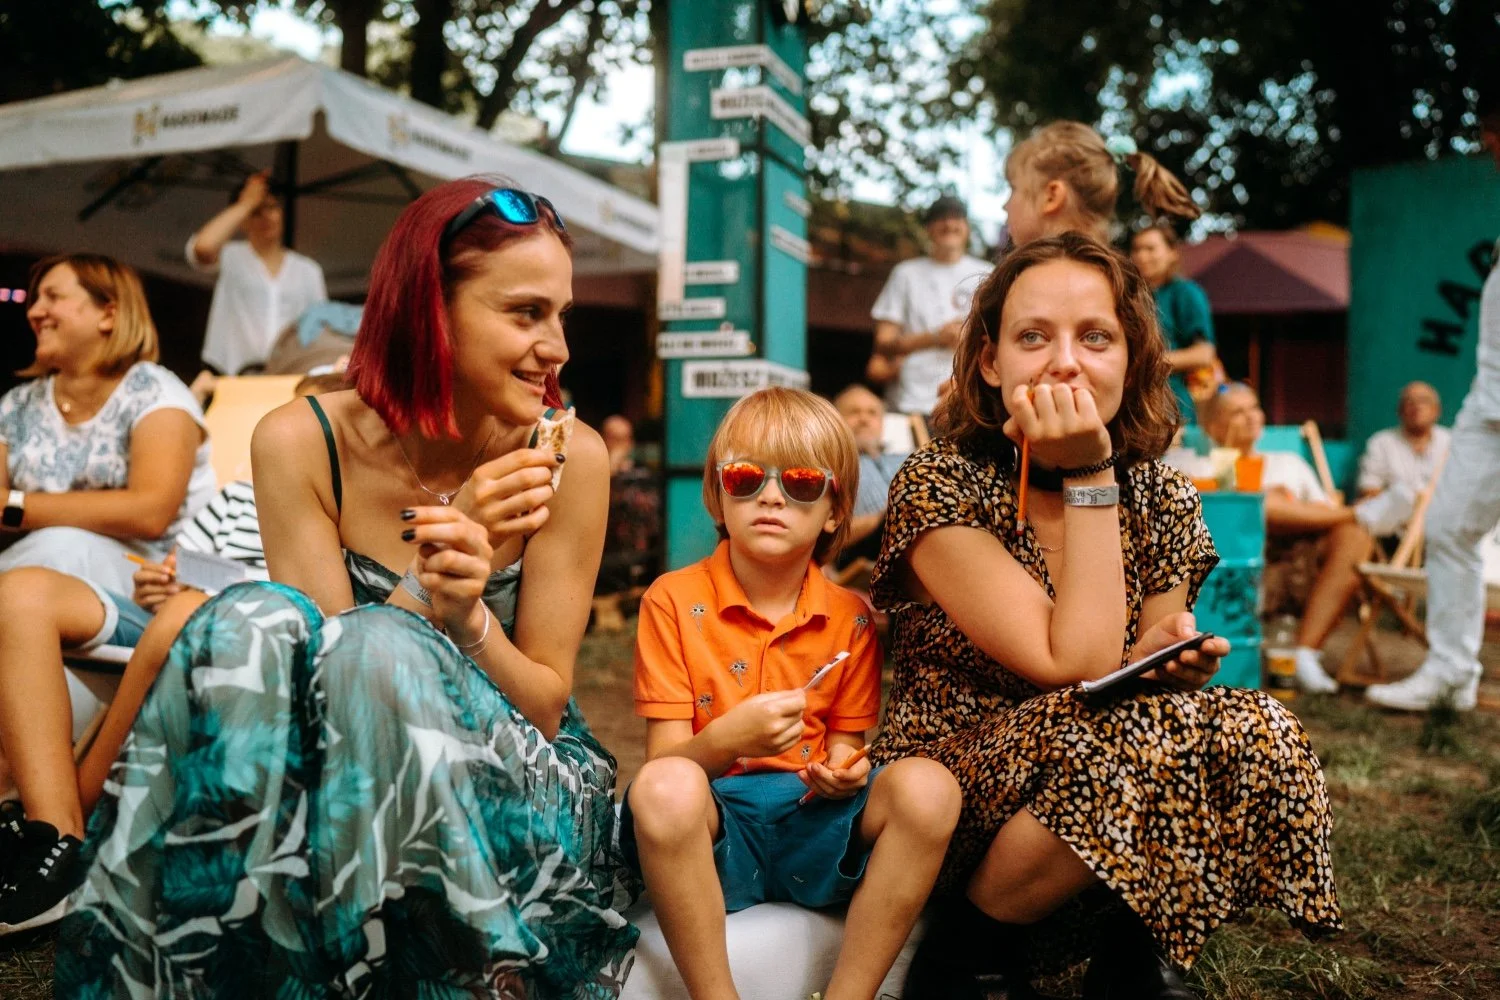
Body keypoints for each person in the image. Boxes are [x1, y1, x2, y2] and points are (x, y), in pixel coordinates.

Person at [56, 180, 638, 996]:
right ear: (428, 312)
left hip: (522, 782)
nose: (558, 348)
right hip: (345, 783)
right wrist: (434, 569)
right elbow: (325, 691)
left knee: (375, 644)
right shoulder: (302, 441)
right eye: (526, 313)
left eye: (561, 315)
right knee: (249, 619)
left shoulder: (567, 458)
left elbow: (544, 705)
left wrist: (466, 612)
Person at [874, 234, 1338, 999]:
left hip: (1103, 785)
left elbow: (1128, 674)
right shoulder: (938, 482)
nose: (1065, 363)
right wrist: (1090, 471)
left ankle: (1134, 950)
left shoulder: (1163, 495)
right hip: (949, 801)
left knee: (1254, 724)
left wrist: (1162, 652)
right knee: (1140, 725)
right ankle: (965, 952)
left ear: (1132, 358)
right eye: (1033, 337)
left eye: (1095, 337)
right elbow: (1074, 665)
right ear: (990, 363)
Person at [623, 387, 961, 1000]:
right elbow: (664, 768)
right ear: (717, 495)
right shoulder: (670, 601)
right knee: (664, 788)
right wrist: (727, 741)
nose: (772, 496)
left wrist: (844, 773)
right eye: (746, 477)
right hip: (717, 824)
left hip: (813, 820)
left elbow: (846, 744)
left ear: (834, 510)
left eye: (802, 483)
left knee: (930, 789)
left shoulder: (850, 617)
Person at [0, 373, 341, 935]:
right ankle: (53, 830)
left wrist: (203, 595)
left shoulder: (344, 500)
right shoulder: (237, 495)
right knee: (21, 592)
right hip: (167, 611)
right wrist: (157, 580)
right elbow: (171, 564)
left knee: (184, 616)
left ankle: (60, 835)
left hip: (242, 627)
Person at [1367, 99, 1500, 712]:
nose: (1490, 152)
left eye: (1494, 139)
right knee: (1448, 529)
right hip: (1486, 406)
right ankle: (1451, 673)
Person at [0, 253, 217, 596]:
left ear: (108, 314)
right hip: (37, 564)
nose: (35, 312)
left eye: (53, 297)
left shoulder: (156, 394)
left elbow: (150, 513)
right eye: (35, 299)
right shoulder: (17, 404)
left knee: (61, 546)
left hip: (157, 583)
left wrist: (16, 506)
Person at [1202, 381, 1405, 693]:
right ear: (1213, 425)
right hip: (1236, 565)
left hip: (1300, 563)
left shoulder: (1288, 463)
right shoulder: (1201, 463)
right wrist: (1269, 498)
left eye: (1254, 408)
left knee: (1354, 537)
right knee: (1260, 502)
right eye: (1237, 413)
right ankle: (1360, 512)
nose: (1251, 417)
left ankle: (1304, 654)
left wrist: (1292, 507)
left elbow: (1323, 512)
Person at [188, 170, 327, 383]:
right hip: (231, 376)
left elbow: (320, 330)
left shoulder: (308, 270)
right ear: (243, 220)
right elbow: (203, 247)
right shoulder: (230, 256)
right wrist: (246, 203)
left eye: (272, 207)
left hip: (291, 378)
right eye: (256, 212)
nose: (266, 217)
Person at [866, 195, 993, 416]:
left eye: (957, 218)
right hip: (911, 401)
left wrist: (970, 336)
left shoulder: (988, 273)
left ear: (967, 228)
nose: (949, 224)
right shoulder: (905, 274)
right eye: (941, 218)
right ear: (928, 229)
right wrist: (935, 337)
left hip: (972, 402)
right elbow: (883, 342)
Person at [1129, 223, 1217, 425]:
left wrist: (1149, 362)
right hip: (1132, 403)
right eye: (1136, 249)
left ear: (1172, 253)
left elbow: (1204, 354)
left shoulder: (1186, 293)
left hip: (1172, 404)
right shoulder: (1128, 295)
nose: (1142, 256)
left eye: (1150, 248)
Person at [1356, 381, 1450, 541]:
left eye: (1424, 401)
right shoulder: (1381, 442)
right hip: (1394, 528)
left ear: (1437, 410)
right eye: (1409, 402)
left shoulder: (1452, 443)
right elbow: (1368, 489)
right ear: (1400, 410)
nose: (1417, 407)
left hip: (1444, 523)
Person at [595, 413, 661, 631]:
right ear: (603, 439)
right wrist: (612, 465)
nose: (620, 445)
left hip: (640, 547)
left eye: (624, 439)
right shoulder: (595, 471)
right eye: (614, 438)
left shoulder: (642, 472)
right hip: (606, 549)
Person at [832, 384, 906, 567]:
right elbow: (826, 535)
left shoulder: (906, 459)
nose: (864, 419)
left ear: (882, 422)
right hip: (870, 552)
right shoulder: (831, 466)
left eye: (872, 413)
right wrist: (887, 517)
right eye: (854, 412)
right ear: (835, 421)